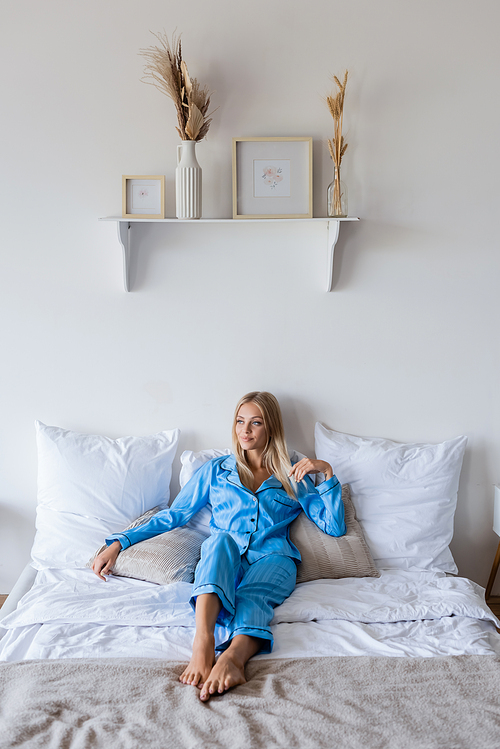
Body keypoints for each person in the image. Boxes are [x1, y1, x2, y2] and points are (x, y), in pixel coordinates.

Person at [92, 391, 346, 701]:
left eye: (255, 423)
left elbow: (333, 526)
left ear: (271, 429)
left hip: (274, 558)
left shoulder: (292, 473)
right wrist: (119, 542)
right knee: (218, 543)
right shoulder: (216, 471)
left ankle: (233, 659)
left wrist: (327, 472)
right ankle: (203, 643)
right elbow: (175, 515)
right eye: (240, 421)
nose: (245, 430)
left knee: (254, 597)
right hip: (225, 557)